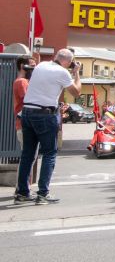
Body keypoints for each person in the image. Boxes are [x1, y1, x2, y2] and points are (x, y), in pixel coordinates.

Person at [15, 49, 81, 205]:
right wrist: (76, 73)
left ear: (56, 57)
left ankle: (22, 192)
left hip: (27, 112)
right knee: (49, 153)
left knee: (28, 154)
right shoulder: (62, 73)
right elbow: (77, 92)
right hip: (45, 114)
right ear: (68, 62)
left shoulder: (41, 65)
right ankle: (43, 193)